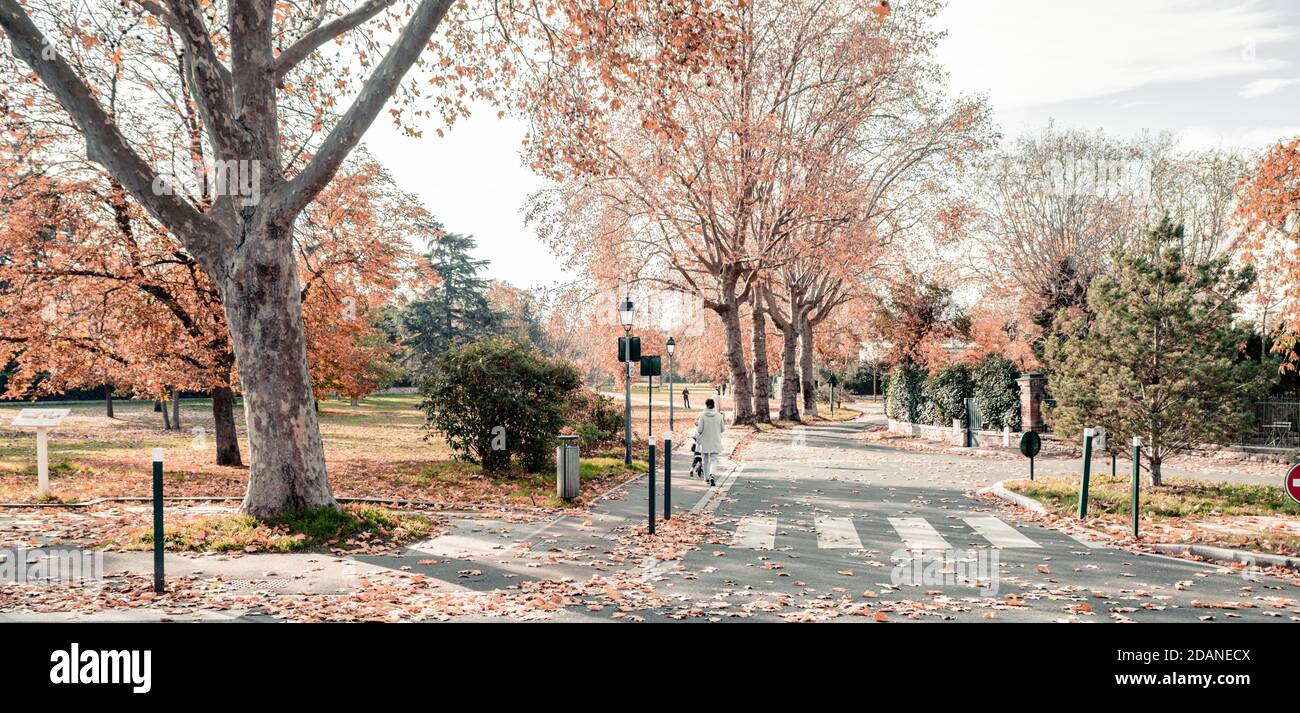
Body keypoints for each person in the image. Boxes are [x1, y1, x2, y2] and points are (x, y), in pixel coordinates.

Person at [693, 397, 725, 486]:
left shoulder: (702, 415)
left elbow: (699, 430)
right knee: (714, 459)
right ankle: (712, 475)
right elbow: (722, 429)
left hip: (705, 440)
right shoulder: (719, 415)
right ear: (714, 405)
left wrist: (698, 425)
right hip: (715, 440)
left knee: (705, 459)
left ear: (706, 405)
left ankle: (706, 478)